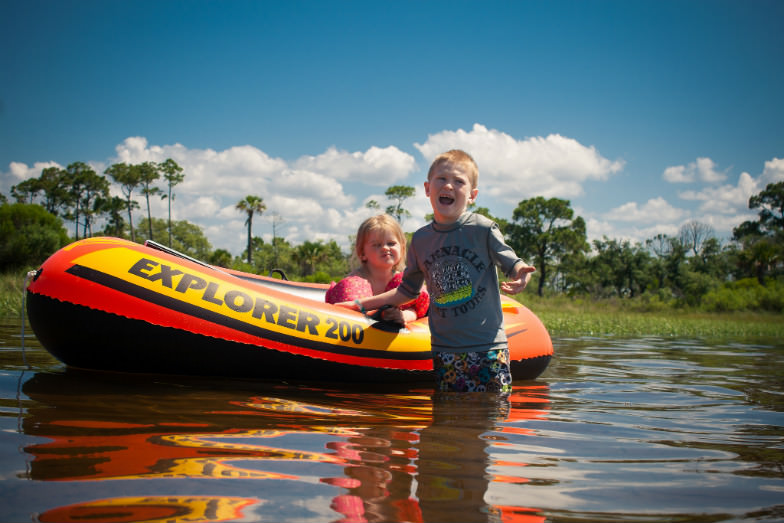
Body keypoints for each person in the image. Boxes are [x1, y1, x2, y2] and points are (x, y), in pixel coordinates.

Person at [338, 150, 535, 393]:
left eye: (459, 181)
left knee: (489, 417)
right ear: (427, 188)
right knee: (447, 417)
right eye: (441, 179)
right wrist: (359, 305)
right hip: (444, 350)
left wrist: (521, 272)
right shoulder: (421, 239)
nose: (449, 185)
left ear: (472, 195)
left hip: (487, 348)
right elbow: (406, 293)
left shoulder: (482, 228)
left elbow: (511, 261)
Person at [326, 214, 428, 324]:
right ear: (362, 253)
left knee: (413, 285)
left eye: (391, 243)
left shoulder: (401, 281)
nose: (385, 248)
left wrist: (404, 316)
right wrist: (380, 314)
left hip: (394, 325)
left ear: (402, 249)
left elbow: (414, 308)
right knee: (350, 285)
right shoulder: (354, 281)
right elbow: (347, 309)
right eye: (376, 245)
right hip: (356, 323)